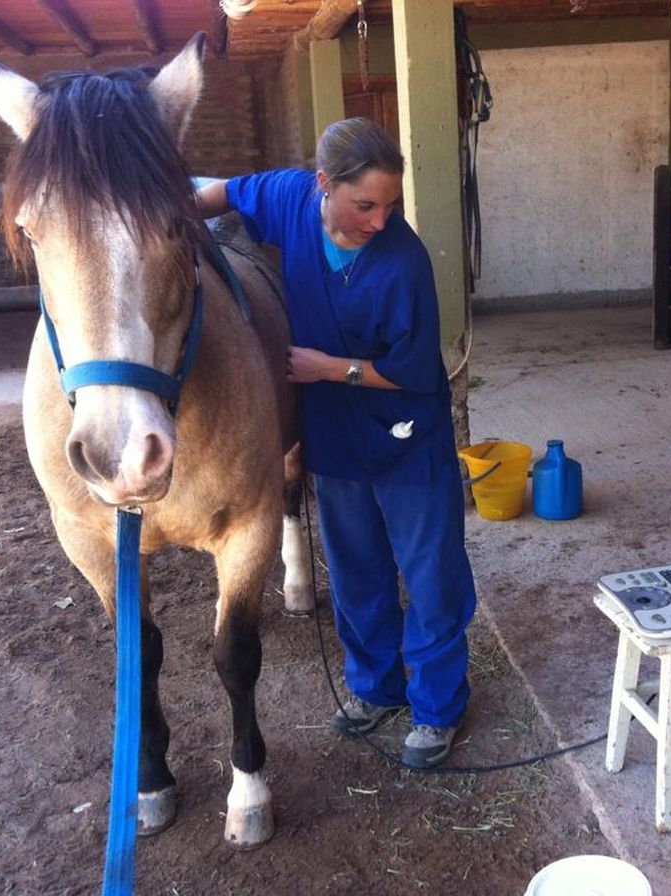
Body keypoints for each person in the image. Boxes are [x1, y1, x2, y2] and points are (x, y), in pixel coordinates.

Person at [195, 118, 477, 769]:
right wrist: (172, 213)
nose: (380, 220)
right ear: (324, 185)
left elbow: (412, 372)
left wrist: (329, 369)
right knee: (355, 573)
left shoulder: (402, 262)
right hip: (339, 439)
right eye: (366, 204)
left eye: (391, 205)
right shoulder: (292, 200)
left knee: (431, 578)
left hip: (409, 437)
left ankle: (437, 710)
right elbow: (226, 192)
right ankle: (377, 689)